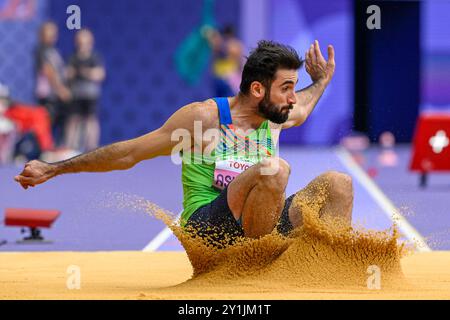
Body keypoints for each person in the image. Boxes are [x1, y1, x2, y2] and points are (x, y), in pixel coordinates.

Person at [14, 40, 353, 247]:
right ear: (257, 90)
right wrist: (55, 168)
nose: (294, 98)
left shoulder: (277, 115)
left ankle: (329, 267)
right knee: (274, 169)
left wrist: (321, 80)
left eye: (295, 88)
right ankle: (257, 269)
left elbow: (305, 105)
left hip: (258, 224)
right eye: (287, 88)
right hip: (207, 228)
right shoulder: (202, 119)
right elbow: (130, 154)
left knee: (339, 184)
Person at [65, 28, 105, 152]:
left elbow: (100, 74)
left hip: (90, 95)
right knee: (73, 120)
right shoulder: (73, 57)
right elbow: (67, 74)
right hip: (76, 94)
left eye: (85, 41)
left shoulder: (95, 57)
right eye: (80, 41)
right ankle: (70, 148)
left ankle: (92, 148)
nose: (82, 44)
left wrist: (86, 72)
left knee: (91, 120)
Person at [34, 21, 71, 147]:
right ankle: (45, 149)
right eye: (49, 32)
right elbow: (48, 71)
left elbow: (60, 70)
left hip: (55, 94)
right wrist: (60, 89)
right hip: (47, 94)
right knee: (47, 122)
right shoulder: (41, 50)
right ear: (42, 34)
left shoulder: (54, 50)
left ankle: (58, 148)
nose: (53, 36)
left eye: (54, 33)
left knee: (62, 121)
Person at [206, 25, 244, 97]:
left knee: (229, 100)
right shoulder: (220, 45)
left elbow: (239, 60)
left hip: (230, 78)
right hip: (219, 77)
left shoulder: (235, 45)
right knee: (219, 101)